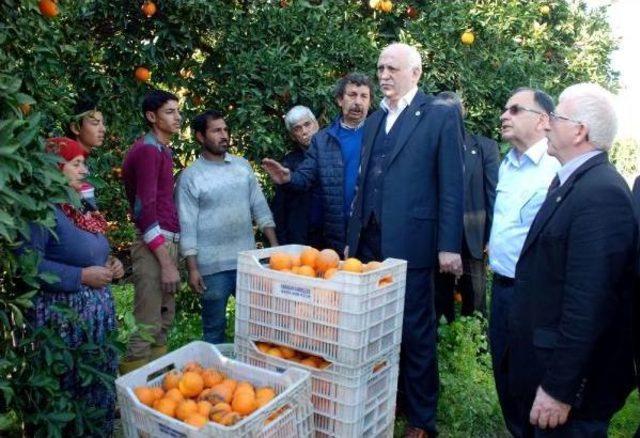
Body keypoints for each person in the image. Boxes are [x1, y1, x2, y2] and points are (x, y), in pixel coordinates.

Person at [502, 83, 638, 436]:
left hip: (570, 398)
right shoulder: (572, 183)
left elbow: (589, 305)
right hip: (544, 370)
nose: (546, 125)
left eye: (556, 117)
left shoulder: (601, 194)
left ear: (580, 131)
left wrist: (560, 389)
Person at [345, 43, 464, 437]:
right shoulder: (376, 120)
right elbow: (364, 182)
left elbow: (452, 183)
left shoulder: (439, 115)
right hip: (369, 243)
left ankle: (421, 419)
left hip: (414, 242)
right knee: (372, 327)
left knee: (415, 331)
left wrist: (448, 244)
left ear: (415, 73)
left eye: (392, 68)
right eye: (380, 67)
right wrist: (352, 237)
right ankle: (385, 398)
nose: (383, 75)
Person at [23, 137, 124, 435]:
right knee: (64, 394)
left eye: (84, 162)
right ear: (55, 168)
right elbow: (29, 267)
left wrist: (111, 263)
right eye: (76, 163)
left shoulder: (79, 204)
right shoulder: (39, 210)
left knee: (93, 393)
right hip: (60, 321)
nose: (84, 169)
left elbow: (94, 251)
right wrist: (79, 277)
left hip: (94, 321)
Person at [487, 87, 560, 436]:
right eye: (505, 109)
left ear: (543, 120)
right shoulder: (507, 164)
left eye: (516, 110)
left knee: (534, 384)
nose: (505, 115)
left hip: (537, 298)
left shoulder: (557, 169)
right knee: (506, 377)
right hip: (501, 291)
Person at [176, 110, 278, 344]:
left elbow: (260, 208)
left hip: (247, 262)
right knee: (214, 329)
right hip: (212, 268)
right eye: (216, 130)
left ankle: (252, 372)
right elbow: (187, 224)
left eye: (225, 130)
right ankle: (214, 376)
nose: (224, 135)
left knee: (258, 326)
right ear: (200, 137)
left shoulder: (242, 167)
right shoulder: (191, 177)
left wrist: (274, 249)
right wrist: (192, 269)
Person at [262, 73, 373, 254]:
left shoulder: (380, 136)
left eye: (364, 96)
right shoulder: (322, 141)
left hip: (371, 235)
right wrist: (288, 177)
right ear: (339, 100)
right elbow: (305, 177)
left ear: (370, 102)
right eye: (352, 95)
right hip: (336, 238)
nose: (358, 102)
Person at [120, 90, 182, 373]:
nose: (177, 117)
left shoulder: (162, 149)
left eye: (177, 110)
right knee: (147, 324)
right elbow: (144, 212)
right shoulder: (147, 150)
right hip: (153, 247)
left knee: (162, 321)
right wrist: (166, 263)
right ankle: (132, 399)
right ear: (151, 116)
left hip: (166, 242)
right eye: (169, 111)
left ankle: (156, 390)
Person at [433, 91, 499, 322]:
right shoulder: (428, 149)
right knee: (439, 306)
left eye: (455, 110)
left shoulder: (485, 147)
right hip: (436, 241)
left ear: (463, 113)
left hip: (473, 239)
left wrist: (492, 237)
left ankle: (479, 354)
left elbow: (492, 195)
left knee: (476, 306)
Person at [270, 105, 324, 247]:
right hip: (301, 238)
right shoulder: (288, 164)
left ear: (316, 124)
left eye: (307, 124)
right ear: (293, 136)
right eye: (297, 128)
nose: (305, 132)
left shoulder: (334, 154)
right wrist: (281, 245)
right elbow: (280, 210)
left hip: (331, 236)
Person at [64, 96, 107, 210]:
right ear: (75, 128)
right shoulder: (68, 166)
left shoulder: (81, 164)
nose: (103, 129)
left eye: (103, 123)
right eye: (95, 123)